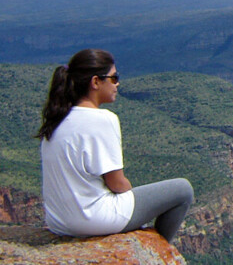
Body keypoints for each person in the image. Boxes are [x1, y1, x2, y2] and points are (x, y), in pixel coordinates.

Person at [36, 49, 194, 243]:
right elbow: (117, 183)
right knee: (183, 190)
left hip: (58, 222)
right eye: (113, 78)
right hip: (94, 220)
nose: (117, 84)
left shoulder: (56, 120)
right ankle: (160, 249)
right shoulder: (103, 119)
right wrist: (131, 198)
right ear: (95, 82)